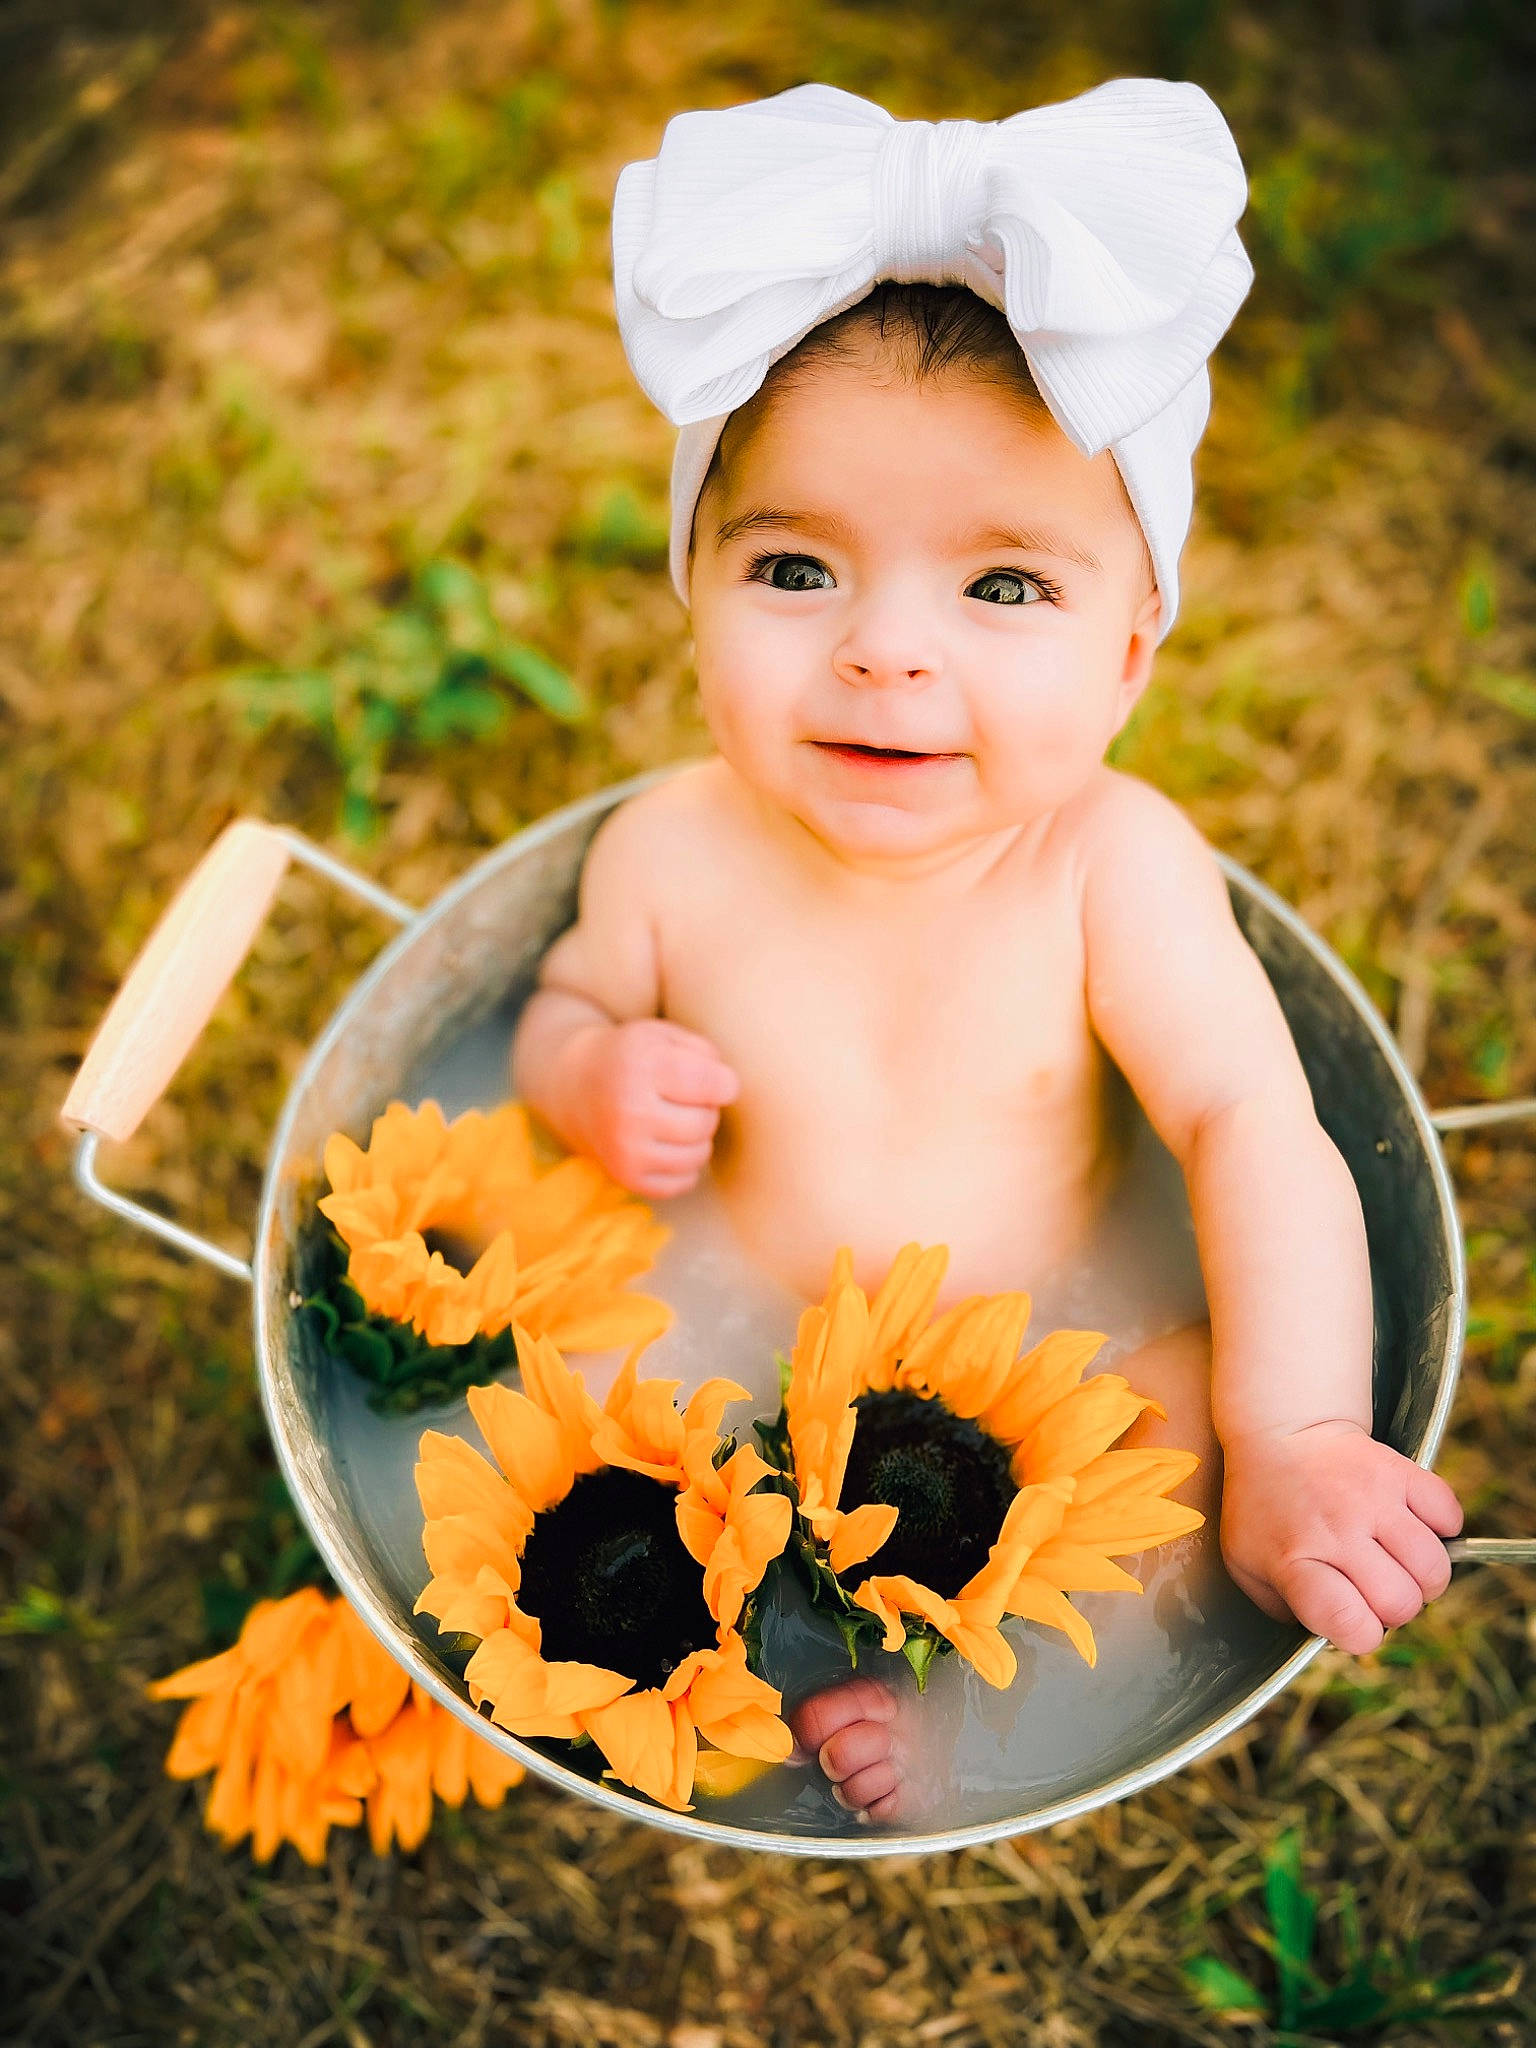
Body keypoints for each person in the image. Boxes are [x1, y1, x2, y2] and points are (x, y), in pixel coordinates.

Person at [510, 79, 1463, 1821]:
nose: (885, 651)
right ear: (692, 583)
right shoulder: (667, 848)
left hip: (1050, 1369)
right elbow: (563, 1000)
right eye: (795, 569)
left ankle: (983, 1706)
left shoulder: (1110, 865)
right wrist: (587, 1070)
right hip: (729, 1350)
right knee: (566, 1414)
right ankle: (702, 1659)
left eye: (1003, 587)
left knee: (1182, 1421)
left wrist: (1301, 1434)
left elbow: (1250, 1125)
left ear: (1132, 649)